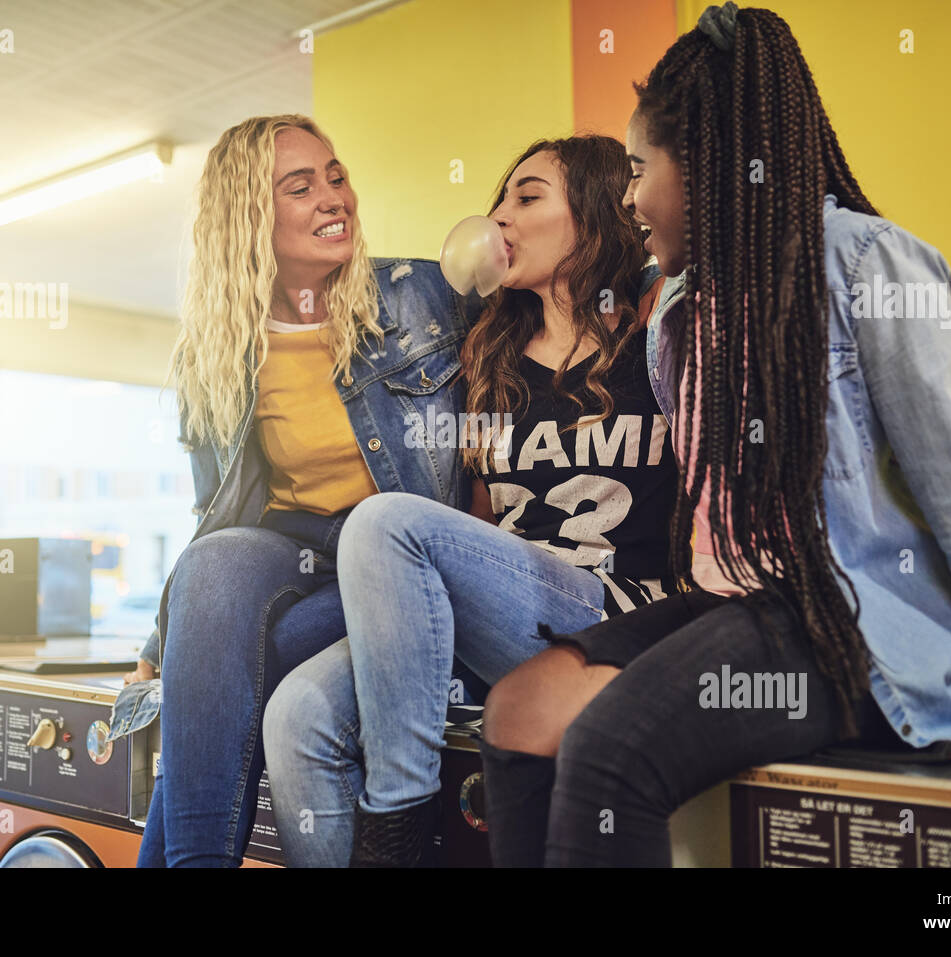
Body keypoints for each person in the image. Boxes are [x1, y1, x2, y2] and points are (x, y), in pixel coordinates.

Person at [478, 2, 951, 868]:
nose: (628, 197)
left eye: (637, 168)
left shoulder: (868, 262)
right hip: (742, 608)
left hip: (843, 621)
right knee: (519, 710)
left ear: (702, 164)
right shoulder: (678, 315)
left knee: (609, 752)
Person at [262, 133, 677, 867]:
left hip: (615, 618)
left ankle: (397, 829)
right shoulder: (490, 358)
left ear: (595, 210)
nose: (499, 218)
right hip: (505, 618)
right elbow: (481, 523)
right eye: (499, 199)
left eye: (528, 196)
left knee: (384, 522)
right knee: (298, 714)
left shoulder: (657, 334)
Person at [105, 114, 482, 867]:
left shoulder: (425, 297)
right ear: (251, 216)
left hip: (395, 558)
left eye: (336, 176)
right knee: (212, 568)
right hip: (293, 547)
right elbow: (214, 514)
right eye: (300, 186)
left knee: (231, 673)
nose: (332, 197)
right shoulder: (220, 352)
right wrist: (161, 641)